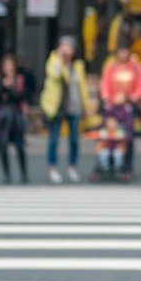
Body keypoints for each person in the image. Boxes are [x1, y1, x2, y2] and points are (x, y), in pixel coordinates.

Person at [41, 36, 90, 184]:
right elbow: (55, 75)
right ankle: (53, 168)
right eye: (64, 46)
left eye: (69, 47)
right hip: (57, 107)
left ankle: (72, 167)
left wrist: (85, 107)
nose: (67, 50)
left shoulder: (78, 65)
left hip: (74, 106)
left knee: (74, 139)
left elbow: (82, 87)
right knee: (54, 139)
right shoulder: (53, 61)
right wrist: (60, 60)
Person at [0, 54, 28, 184]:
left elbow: (21, 97)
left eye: (11, 65)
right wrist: (3, 86)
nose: (9, 68)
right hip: (2, 117)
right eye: (6, 65)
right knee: (3, 146)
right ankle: (7, 174)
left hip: (16, 117)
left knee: (19, 146)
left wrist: (12, 88)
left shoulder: (19, 79)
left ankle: (23, 173)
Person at [99, 94, 136, 182]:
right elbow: (104, 121)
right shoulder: (110, 109)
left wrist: (122, 131)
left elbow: (128, 125)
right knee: (103, 152)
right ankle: (106, 168)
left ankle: (122, 168)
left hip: (120, 138)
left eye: (120, 97)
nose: (117, 99)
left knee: (121, 151)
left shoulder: (127, 110)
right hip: (109, 138)